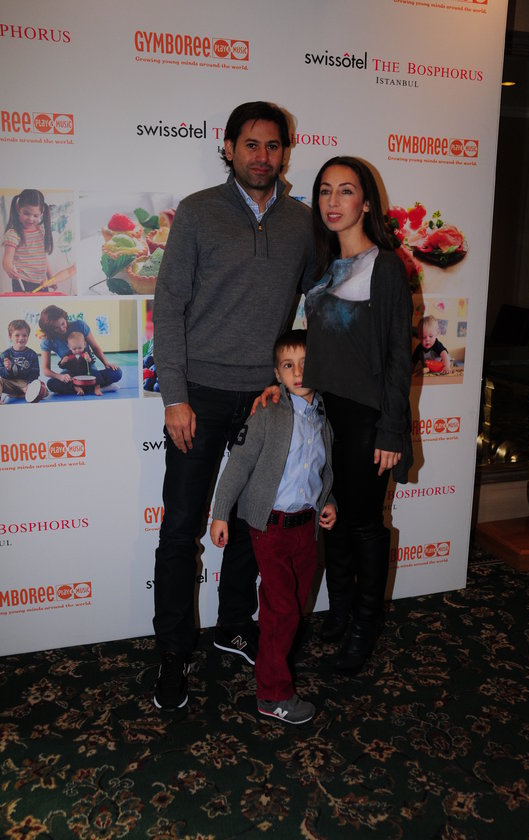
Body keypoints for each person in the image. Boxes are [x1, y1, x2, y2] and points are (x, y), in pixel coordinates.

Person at [151, 101, 314, 711]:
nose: (262, 157)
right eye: (251, 144)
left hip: (267, 398)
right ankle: (173, 651)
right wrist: (175, 396)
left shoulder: (302, 223)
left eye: (273, 146)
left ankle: (234, 626)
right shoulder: (197, 212)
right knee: (181, 528)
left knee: (256, 520)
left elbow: (321, 300)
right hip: (199, 394)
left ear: (285, 152)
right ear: (228, 148)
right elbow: (169, 306)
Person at [258, 156, 413, 675]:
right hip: (324, 415)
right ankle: (341, 611)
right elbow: (305, 345)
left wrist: (391, 429)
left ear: (366, 203)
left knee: (365, 525)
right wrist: (281, 383)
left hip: (368, 419)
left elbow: (399, 356)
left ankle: (365, 628)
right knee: (335, 516)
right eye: (325, 190)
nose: (332, 201)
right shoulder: (322, 268)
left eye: (346, 191)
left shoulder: (385, 266)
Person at [210, 330, 336, 724]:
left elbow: (321, 470)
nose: (298, 372)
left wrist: (328, 501)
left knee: (291, 609)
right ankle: (273, 694)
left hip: (306, 528)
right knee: (281, 611)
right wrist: (220, 512)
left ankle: (272, 661)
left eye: (305, 364)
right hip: (271, 527)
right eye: (288, 365)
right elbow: (239, 464)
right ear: (277, 374)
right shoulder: (268, 412)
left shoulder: (322, 417)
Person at [38, 305, 122, 395]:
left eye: (63, 323)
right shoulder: (47, 340)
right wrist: (60, 376)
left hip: (89, 370)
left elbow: (95, 347)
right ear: (50, 329)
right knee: (51, 384)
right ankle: (99, 387)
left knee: (116, 373)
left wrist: (106, 363)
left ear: (65, 318)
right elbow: (46, 370)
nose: (62, 329)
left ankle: (82, 388)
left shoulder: (79, 325)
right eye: (56, 328)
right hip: (70, 374)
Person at [2, 190, 54, 293]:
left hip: (42, 282)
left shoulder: (41, 230)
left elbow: (43, 257)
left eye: (35, 216)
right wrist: (9, 269)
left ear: (41, 213)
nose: (30, 219)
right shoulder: (13, 234)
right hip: (22, 282)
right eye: (26, 213)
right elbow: (6, 260)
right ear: (18, 209)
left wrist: (51, 277)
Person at [0, 319, 44, 403]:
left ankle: (19, 394)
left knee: (44, 391)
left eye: (24, 335)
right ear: (10, 336)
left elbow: (35, 373)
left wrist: (29, 384)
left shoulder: (32, 354)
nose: (21, 338)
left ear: (28, 336)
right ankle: (18, 395)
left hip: (25, 384)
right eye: (17, 335)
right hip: (10, 383)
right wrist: (7, 369)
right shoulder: (4, 355)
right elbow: (2, 374)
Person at [58, 330, 103, 396]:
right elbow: (62, 366)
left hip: (86, 372)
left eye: (80, 348)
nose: (77, 351)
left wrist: (89, 359)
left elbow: (91, 362)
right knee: (66, 376)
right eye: (74, 349)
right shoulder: (67, 355)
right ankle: (77, 388)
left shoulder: (86, 353)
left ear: (84, 344)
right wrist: (62, 362)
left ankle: (97, 388)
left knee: (96, 373)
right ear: (69, 347)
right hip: (73, 373)